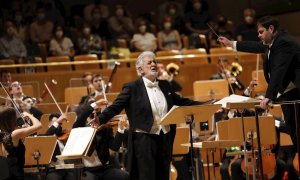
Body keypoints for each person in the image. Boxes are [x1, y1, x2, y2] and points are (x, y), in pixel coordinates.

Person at [89, 51, 203, 179]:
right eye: (149, 62)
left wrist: (205, 104)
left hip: (165, 137)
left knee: (164, 175)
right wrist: (100, 119)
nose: (153, 64)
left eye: (154, 61)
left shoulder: (165, 85)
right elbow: (116, 107)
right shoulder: (131, 87)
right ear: (140, 69)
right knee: (147, 176)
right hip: (143, 140)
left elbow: (182, 101)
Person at [218, 15, 300, 179]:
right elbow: (256, 46)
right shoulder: (273, 43)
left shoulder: (284, 42)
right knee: (294, 134)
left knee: (297, 133)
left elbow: (278, 71)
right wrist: (231, 43)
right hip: (287, 96)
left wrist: (269, 97)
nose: (259, 35)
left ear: (271, 29)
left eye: (261, 32)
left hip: (296, 96)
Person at [73, 97, 129, 180]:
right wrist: (95, 104)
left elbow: (115, 147)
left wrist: (120, 129)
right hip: (89, 170)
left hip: (105, 168)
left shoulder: (105, 128)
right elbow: (82, 116)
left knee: (124, 176)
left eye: (97, 109)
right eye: (93, 109)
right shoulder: (80, 128)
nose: (95, 110)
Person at [0, 106, 42, 180]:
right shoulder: (15, 134)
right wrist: (29, 115)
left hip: (10, 170)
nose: (17, 117)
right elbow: (39, 126)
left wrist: (25, 129)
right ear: (11, 119)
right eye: (15, 116)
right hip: (16, 173)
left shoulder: (4, 133)